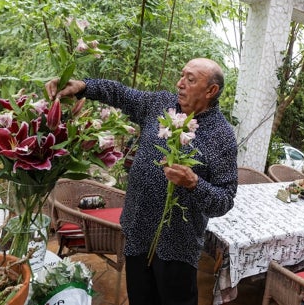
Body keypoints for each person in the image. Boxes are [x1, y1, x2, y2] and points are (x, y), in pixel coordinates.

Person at [46, 58, 238, 305]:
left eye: (190, 80)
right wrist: (83, 86)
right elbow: (121, 93)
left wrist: (194, 183)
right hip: (137, 231)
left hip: (177, 246)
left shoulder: (221, 137)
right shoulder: (160, 104)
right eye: (182, 76)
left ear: (211, 91)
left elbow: (224, 200)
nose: (180, 84)